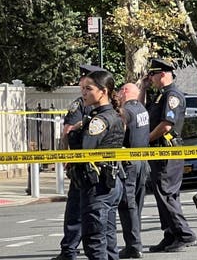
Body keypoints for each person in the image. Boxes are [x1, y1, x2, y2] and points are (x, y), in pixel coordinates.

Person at [141, 58, 196, 253]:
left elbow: (166, 125)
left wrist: (146, 139)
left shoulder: (172, 95)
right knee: (163, 193)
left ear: (162, 74)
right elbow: (142, 113)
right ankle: (171, 233)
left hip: (168, 150)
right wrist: (143, 88)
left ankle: (184, 233)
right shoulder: (160, 95)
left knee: (166, 193)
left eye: (152, 75)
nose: (151, 79)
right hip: (160, 151)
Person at [52, 64, 104, 260]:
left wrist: (68, 158)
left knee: (75, 207)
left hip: (83, 165)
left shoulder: (80, 103)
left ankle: (70, 249)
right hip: (100, 167)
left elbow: (67, 131)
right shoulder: (106, 104)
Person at [71, 70, 124, 259]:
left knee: (95, 242)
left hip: (98, 186)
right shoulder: (113, 115)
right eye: (82, 88)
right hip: (110, 182)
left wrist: (74, 133)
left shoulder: (99, 121)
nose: (83, 93)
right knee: (108, 241)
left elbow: (86, 150)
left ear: (103, 91)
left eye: (88, 88)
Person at [117, 83, 149, 259]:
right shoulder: (141, 109)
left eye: (119, 92)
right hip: (142, 162)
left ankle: (133, 246)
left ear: (125, 92)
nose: (118, 95)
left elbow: (120, 133)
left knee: (127, 205)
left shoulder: (126, 111)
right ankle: (136, 242)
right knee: (136, 204)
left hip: (129, 163)